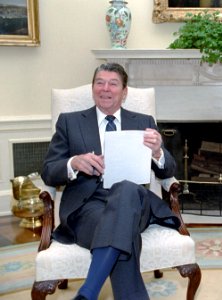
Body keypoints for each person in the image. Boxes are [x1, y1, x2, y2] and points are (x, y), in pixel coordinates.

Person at [41, 63, 180, 300]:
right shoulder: (69, 122)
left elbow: (168, 171)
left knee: (126, 188)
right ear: (93, 87)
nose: (105, 89)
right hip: (87, 208)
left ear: (124, 91)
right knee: (120, 233)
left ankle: (89, 290)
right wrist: (73, 163)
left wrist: (157, 152)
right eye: (99, 82)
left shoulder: (143, 121)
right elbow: (48, 171)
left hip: (135, 203)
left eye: (113, 83)